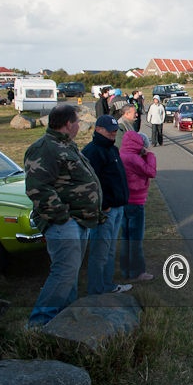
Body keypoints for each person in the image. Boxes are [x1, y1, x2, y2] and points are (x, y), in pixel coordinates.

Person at [24, 104, 104, 327]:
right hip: (63, 222)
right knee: (64, 272)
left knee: (71, 273)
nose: (79, 125)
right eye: (77, 121)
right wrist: (63, 216)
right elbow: (37, 188)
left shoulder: (66, 145)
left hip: (78, 220)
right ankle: (39, 324)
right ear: (68, 124)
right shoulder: (45, 148)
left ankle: (65, 321)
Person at [82, 115, 132, 295]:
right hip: (106, 211)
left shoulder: (112, 149)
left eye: (114, 130)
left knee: (110, 250)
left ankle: (108, 284)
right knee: (100, 252)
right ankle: (96, 290)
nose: (112, 133)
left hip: (118, 207)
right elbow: (89, 184)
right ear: (98, 129)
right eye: (109, 130)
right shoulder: (93, 151)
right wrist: (103, 205)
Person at [119, 131, 157, 281]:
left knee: (126, 236)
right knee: (136, 238)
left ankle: (126, 270)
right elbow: (151, 172)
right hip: (135, 201)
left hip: (124, 200)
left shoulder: (122, 154)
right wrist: (150, 156)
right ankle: (137, 272)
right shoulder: (134, 158)